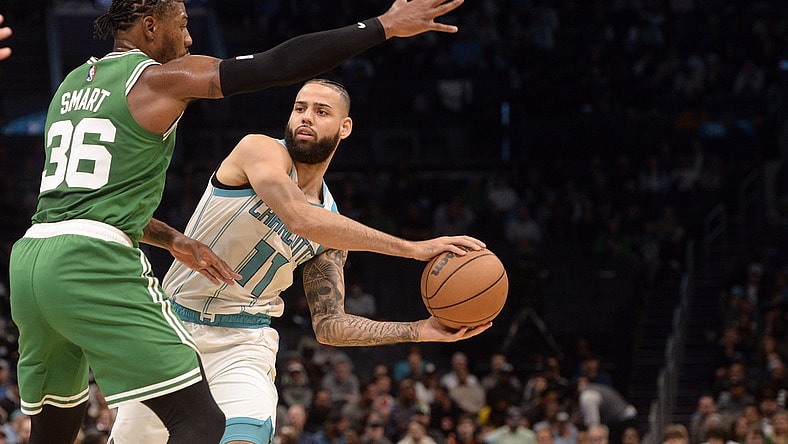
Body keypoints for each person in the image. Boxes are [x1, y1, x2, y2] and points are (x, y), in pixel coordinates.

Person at [8, 0, 471, 442]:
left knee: (55, 432)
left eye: (322, 111)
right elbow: (275, 69)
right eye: (182, 24)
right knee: (200, 425)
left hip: (38, 261)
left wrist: (174, 240)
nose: (189, 38)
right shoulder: (211, 116)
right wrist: (382, 26)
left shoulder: (72, 84)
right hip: (125, 282)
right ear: (151, 27)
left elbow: (91, 201)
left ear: (346, 128)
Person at [109, 78, 490, 444]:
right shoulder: (259, 150)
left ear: (344, 127)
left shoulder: (333, 225)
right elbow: (299, 217)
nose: (306, 117)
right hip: (174, 328)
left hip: (244, 342)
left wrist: (421, 330)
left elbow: (330, 326)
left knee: (244, 436)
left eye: (321, 111)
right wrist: (413, 249)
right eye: (299, 108)